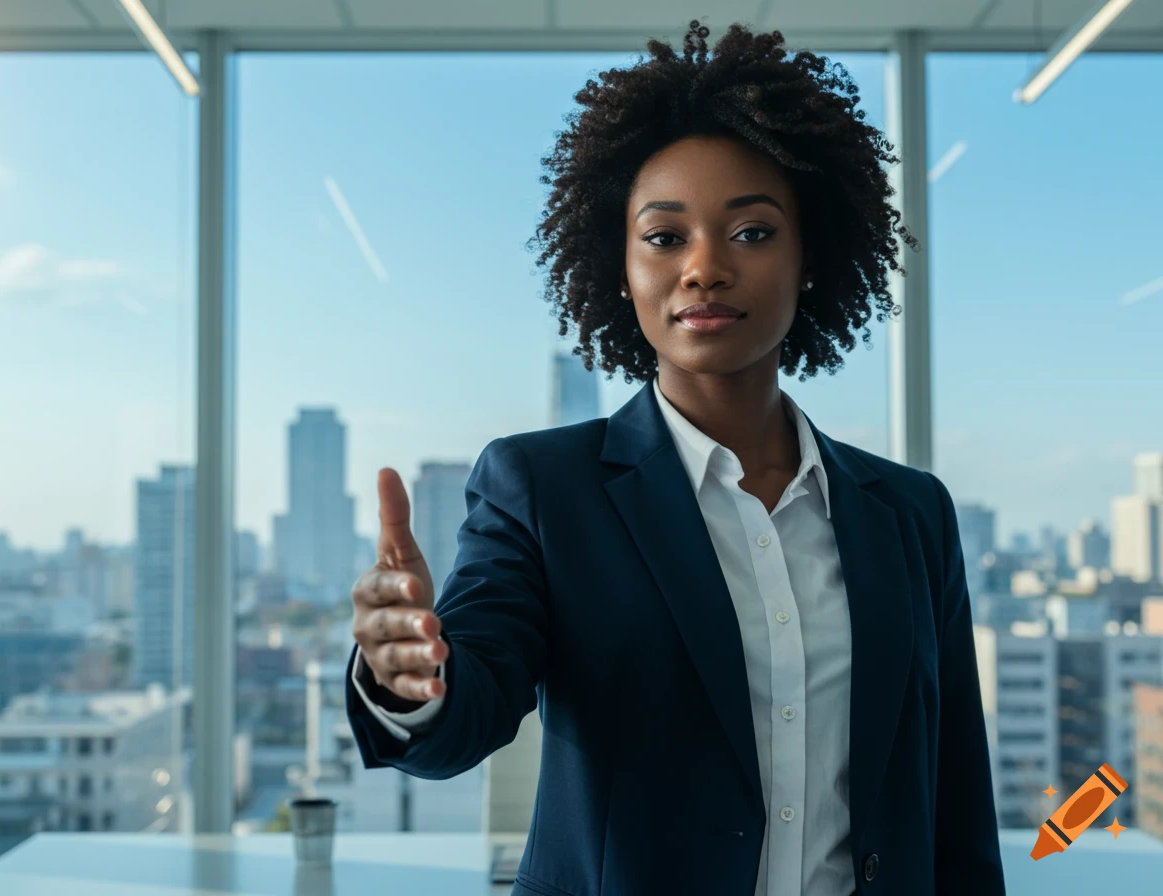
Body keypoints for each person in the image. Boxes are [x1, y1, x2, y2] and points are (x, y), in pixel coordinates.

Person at [346, 19, 1005, 896]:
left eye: (754, 233)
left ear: (811, 259)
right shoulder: (543, 488)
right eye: (664, 237)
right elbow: (469, 705)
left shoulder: (912, 513)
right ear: (620, 267)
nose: (703, 268)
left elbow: (955, 801)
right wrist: (409, 678)